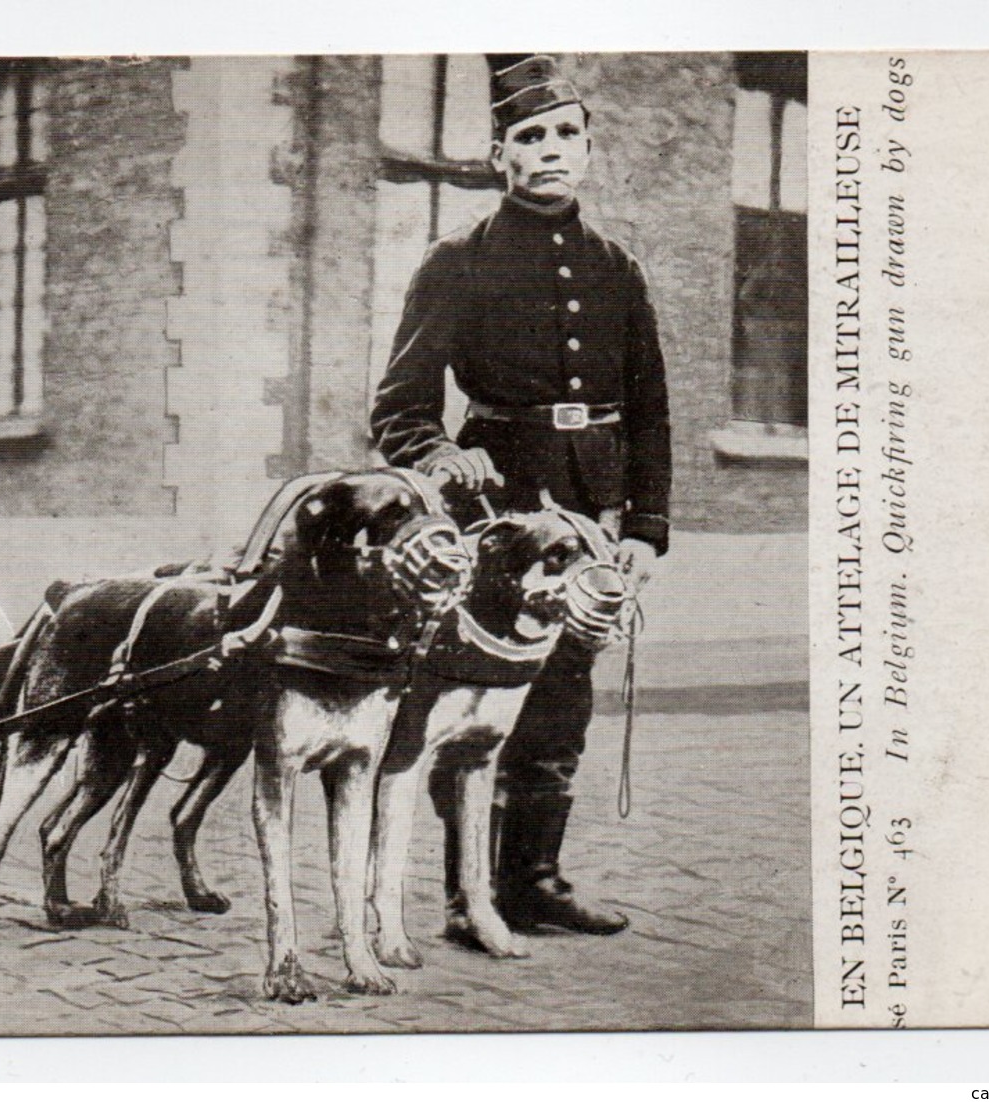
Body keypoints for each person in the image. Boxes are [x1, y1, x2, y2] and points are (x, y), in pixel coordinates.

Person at [370, 55, 671, 937]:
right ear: (498, 155)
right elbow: (398, 407)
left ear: (587, 149)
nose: (550, 152)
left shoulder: (616, 268)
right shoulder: (457, 261)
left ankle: (532, 879)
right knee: (477, 695)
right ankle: (470, 897)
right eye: (528, 138)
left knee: (565, 690)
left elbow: (651, 414)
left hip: (592, 510)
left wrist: (645, 528)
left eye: (565, 135)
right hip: (494, 511)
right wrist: (432, 452)